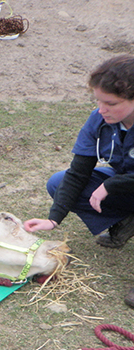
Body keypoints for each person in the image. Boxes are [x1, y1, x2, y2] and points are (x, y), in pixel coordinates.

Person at [23, 55, 134, 308]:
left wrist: (110, 185)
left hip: (124, 183)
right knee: (58, 182)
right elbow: (78, 172)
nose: (101, 109)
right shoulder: (101, 119)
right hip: (127, 184)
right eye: (98, 100)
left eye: (111, 103)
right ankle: (126, 222)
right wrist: (54, 218)